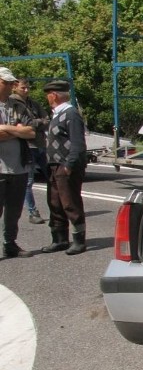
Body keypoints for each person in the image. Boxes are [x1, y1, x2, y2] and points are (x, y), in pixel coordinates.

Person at [41, 80, 88, 255]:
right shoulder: (56, 114)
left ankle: (79, 240)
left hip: (66, 165)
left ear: (54, 95)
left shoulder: (70, 114)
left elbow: (78, 143)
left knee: (70, 203)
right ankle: (59, 239)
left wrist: (70, 164)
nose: (47, 97)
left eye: (48, 94)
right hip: (54, 165)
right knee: (54, 202)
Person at [0, 67, 36, 258]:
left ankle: (10, 244)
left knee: (14, 211)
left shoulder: (18, 105)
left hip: (19, 166)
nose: (9, 86)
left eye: (10, 83)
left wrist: (6, 128)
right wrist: (17, 130)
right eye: (5, 82)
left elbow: (31, 132)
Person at [8, 77, 50, 225]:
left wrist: (35, 123)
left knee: (52, 177)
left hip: (40, 145)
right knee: (29, 181)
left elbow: (46, 120)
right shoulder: (12, 103)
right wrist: (36, 123)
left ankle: (56, 208)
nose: (26, 90)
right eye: (23, 88)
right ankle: (33, 212)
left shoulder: (33, 103)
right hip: (27, 146)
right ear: (14, 87)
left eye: (27, 88)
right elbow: (18, 124)